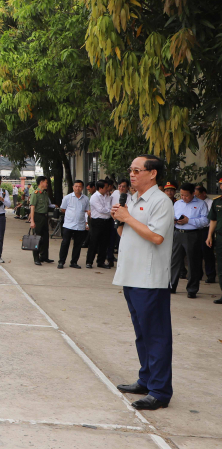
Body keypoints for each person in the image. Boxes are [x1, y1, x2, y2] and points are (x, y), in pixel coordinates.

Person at [111, 155, 174, 410]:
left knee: (156, 336)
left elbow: (157, 237)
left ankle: (160, 391)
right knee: (142, 334)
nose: (132, 174)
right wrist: (120, 219)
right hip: (131, 276)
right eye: (131, 170)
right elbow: (126, 234)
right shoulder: (134, 200)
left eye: (137, 170)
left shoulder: (161, 202)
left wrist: (127, 218)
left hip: (150, 280)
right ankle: (146, 379)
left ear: (153, 174)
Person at [169, 183, 208, 298]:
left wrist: (189, 221)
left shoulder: (201, 204)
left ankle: (192, 289)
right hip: (178, 234)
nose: (183, 198)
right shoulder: (177, 203)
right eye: (181, 195)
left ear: (193, 193)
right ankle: (171, 286)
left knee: (193, 262)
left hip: (192, 235)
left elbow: (205, 221)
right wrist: (175, 220)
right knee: (174, 261)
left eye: (186, 195)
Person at [57, 180, 91, 269]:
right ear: (73, 187)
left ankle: (74, 262)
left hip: (80, 225)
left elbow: (86, 211)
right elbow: (63, 209)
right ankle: (61, 261)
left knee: (78, 245)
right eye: (76, 186)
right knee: (65, 243)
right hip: (68, 225)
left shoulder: (86, 199)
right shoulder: (67, 198)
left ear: (82, 188)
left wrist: (86, 223)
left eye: (79, 186)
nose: (77, 188)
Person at [28, 176, 55, 265]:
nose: (47, 184)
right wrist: (32, 220)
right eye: (46, 182)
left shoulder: (44, 193)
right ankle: (36, 258)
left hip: (44, 217)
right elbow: (32, 207)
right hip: (37, 217)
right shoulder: (35, 194)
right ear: (41, 182)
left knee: (45, 237)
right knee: (36, 238)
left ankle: (44, 256)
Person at [86, 180, 113, 269]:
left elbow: (109, 207)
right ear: (100, 188)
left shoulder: (107, 196)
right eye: (105, 187)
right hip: (97, 222)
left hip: (106, 221)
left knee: (104, 242)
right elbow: (101, 209)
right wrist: (111, 211)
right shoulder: (94, 197)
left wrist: (109, 211)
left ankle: (100, 261)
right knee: (94, 241)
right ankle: (89, 261)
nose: (107, 189)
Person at [205, 179, 222, 303]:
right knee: (221, 267)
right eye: (221, 184)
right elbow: (213, 220)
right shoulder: (217, 202)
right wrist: (209, 235)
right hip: (220, 237)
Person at [195, 185, 216, 283]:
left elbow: (212, 218)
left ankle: (210, 275)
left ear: (204, 193)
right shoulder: (195, 202)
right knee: (197, 253)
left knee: (207, 253)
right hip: (196, 229)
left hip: (206, 230)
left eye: (198, 195)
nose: (196, 197)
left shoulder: (211, 203)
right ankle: (198, 274)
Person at [108, 179, 130, 266]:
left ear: (127, 188)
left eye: (123, 186)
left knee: (119, 241)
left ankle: (121, 260)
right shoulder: (115, 193)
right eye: (120, 186)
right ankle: (110, 258)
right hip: (112, 219)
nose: (121, 188)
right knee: (111, 241)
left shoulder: (130, 197)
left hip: (122, 222)